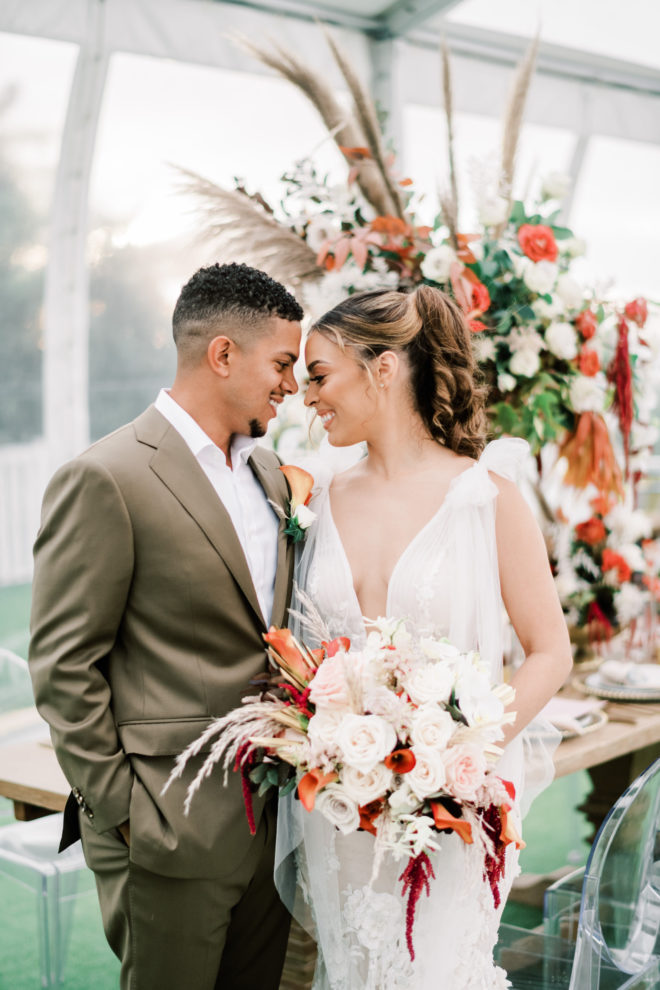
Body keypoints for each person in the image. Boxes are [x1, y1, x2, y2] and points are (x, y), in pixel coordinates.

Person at [277, 284, 572, 989]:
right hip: (341, 808)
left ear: (383, 369)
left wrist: (462, 755)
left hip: (444, 813)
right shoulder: (316, 493)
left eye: (320, 375)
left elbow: (550, 651)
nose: (305, 396)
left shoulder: (485, 496)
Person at [28, 262, 303, 990]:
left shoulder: (274, 475)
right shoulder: (107, 476)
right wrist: (124, 812)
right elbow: (63, 666)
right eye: (281, 363)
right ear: (222, 355)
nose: (292, 385)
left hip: (272, 826)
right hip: (164, 830)